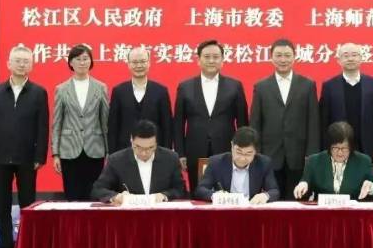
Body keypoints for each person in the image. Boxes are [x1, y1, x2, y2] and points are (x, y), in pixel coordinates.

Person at [0, 44, 48, 248]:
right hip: (0, 156)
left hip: (27, 158)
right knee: (2, 204)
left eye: (25, 61)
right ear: (9, 64)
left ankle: (27, 246)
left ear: (32, 65)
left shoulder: (38, 92)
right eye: (17, 60)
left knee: (27, 205)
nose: (21, 64)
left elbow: (42, 126)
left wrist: (40, 156)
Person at [250, 39, 319, 200]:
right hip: (270, 155)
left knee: (298, 201)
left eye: (287, 55)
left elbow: (313, 122)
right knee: (271, 201)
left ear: (294, 57)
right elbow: (255, 123)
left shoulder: (307, 85)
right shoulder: (261, 86)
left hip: (299, 155)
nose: (283, 59)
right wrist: (256, 153)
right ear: (271, 58)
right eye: (278, 55)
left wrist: (312, 155)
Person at [174, 40, 248, 190]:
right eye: (207, 57)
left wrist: (243, 150)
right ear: (198, 60)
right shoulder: (185, 87)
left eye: (216, 57)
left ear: (222, 60)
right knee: (198, 193)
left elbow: (243, 122)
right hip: (195, 150)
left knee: (226, 193)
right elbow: (178, 124)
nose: (211, 61)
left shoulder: (235, 86)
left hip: (226, 150)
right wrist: (180, 153)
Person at [51, 44, 109, 200]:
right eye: (78, 59)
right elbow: (57, 123)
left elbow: (105, 122)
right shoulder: (61, 89)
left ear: (91, 62)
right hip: (69, 149)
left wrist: (108, 152)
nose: (82, 62)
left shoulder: (101, 87)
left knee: (95, 195)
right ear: (71, 62)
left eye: (85, 59)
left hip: (95, 148)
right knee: (72, 195)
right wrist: (55, 154)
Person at [319, 42, 373, 167]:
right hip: (338, 148)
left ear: (361, 58)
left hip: (367, 148)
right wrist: (324, 150)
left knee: (366, 179)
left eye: (354, 55)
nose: (350, 59)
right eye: (346, 55)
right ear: (339, 60)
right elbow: (324, 121)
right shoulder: (329, 86)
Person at [91, 120, 185, 203]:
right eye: (138, 147)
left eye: (150, 148)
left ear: (156, 143)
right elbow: (98, 189)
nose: (144, 153)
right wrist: (116, 197)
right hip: (128, 214)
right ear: (131, 140)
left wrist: (164, 195)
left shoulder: (171, 158)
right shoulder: (116, 160)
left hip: (161, 213)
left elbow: (180, 189)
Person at [293, 122, 373, 201]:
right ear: (329, 146)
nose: (340, 153)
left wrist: (372, 188)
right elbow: (305, 188)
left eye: (344, 148)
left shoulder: (363, 161)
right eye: (335, 148)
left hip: (352, 213)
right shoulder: (314, 161)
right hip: (323, 212)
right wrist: (303, 186)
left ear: (351, 147)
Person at [107, 47, 173, 153]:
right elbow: (113, 126)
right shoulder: (119, 91)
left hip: (154, 151)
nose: (139, 66)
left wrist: (166, 152)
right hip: (124, 151)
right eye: (134, 62)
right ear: (128, 64)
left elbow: (167, 126)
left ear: (149, 63)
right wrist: (112, 153)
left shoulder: (161, 91)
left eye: (143, 61)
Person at [195, 127, 280, 204]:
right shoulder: (216, 162)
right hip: (225, 210)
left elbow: (274, 190)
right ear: (232, 146)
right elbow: (200, 190)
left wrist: (265, 196)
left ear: (255, 151)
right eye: (239, 152)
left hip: (251, 209)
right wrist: (216, 195)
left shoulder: (263, 163)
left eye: (248, 153)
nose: (242, 158)